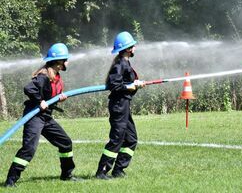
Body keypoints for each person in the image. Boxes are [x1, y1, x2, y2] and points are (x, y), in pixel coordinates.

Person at [4, 43, 77, 187]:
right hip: (34, 117)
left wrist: (59, 99)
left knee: (66, 143)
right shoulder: (43, 76)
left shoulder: (56, 75)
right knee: (29, 149)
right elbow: (28, 88)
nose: (67, 62)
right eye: (65, 59)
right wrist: (40, 101)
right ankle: (10, 181)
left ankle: (66, 175)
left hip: (46, 117)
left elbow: (51, 95)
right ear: (59, 61)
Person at [95, 31, 145, 180]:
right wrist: (131, 86)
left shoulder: (125, 62)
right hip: (118, 106)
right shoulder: (119, 64)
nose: (135, 47)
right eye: (133, 45)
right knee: (117, 139)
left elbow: (124, 85)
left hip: (124, 105)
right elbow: (114, 85)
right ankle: (102, 172)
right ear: (128, 48)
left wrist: (135, 85)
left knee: (131, 139)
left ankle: (119, 169)